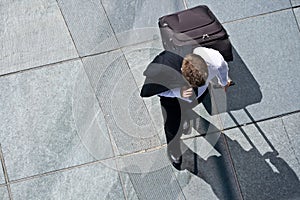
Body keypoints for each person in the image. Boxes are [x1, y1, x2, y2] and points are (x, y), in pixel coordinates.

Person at [140, 47, 232, 170]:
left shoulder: (214, 59)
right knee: (172, 126)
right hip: (173, 101)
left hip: (197, 97)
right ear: (183, 72)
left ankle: (185, 114)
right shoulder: (162, 67)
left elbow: (222, 66)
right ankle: (174, 149)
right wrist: (178, 92)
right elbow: (147, 92)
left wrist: (224, 82)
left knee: (189, 106)